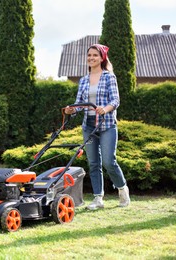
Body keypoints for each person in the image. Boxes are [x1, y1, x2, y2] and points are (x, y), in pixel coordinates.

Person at [64, 43, 130, 210]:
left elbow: (115, 100)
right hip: (88, 127)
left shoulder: (109, 77)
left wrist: (105, 109)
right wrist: (71, 109)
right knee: (93, 163)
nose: (91, 58)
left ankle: (122, 189)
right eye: (89, 55)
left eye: (95, 55)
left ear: (102, 58)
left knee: (109, 161)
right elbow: (80, 103)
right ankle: (98, 198)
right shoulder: (84, 80)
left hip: (107, 125)